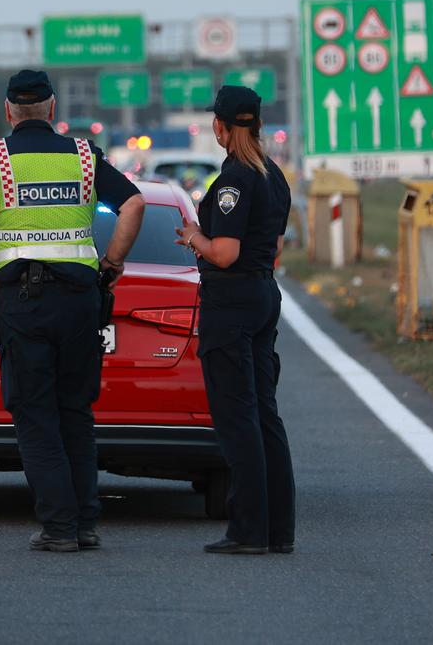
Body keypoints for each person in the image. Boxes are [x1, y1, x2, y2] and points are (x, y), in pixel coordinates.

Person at [0, 69, 146, 552]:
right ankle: (86, 523)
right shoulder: (84, 156)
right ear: (52, 110)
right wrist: (112, 262)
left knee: (35, 414)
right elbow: (135, 204)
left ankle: (59, 527)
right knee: (74, 411)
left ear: (9, 111)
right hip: (80, 302)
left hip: (24, 304)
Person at [174, 84, 296, 555]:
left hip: (232, 301)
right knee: (265, 414)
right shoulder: (274, 177)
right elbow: (276, 246)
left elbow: (224, 252)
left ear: (221, 127)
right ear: (258, 124)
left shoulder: (233, 180)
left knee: (236, 416)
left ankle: (247, 530)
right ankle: (278, 529)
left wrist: (194, 238)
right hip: (264, 293)